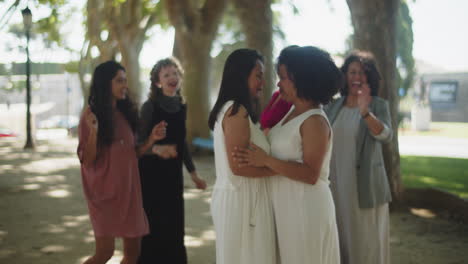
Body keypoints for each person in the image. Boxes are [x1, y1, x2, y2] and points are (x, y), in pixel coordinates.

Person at [233, 46, 342, 264]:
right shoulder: (291, 113)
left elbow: (311, 174)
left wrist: (266, 160)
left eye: (283, 77)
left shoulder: (315, 121)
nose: (278, 83)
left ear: (301, 80)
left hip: (305, 209)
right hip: (287, 207)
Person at [77, 61, 166, 264]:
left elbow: (132, 153)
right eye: (119, 81)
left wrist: (151, 139)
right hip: (104, 195)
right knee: (104, 253)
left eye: (125, 81)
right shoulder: (90, 115)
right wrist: (93, 133)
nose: (125, 85)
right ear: (104, 83)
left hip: (130, 191)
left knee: (133, 253)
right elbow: (87, 160)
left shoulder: (126, 113)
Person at [208, 48, 277, 264]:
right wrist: (280, 168)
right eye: (258, 75)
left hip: (242, 198)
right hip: (244, 200)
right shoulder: (236, 111)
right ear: (241, 74)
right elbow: (239, 167)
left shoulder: (235, 110)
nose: (262, 83)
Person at [324, 50, 392, 264]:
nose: (357, 77)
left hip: (365, 187)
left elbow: (385, 135)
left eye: (362, 72)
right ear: (344, 76)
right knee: (340, 238)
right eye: (352, 72)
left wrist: (365, 111)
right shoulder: (332, 106)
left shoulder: (378, 105)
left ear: (369, 77)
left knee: (366, 243)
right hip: (335, 184)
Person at [137, 57, 207, 264]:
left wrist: (193, 174)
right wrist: (156, 149)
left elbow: (181, 142)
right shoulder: (149, 107)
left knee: (174, 227)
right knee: (153, 228)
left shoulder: (181, 106)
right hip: (150, 176)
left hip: (173, 178)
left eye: (175, 73)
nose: (172, 77)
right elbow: (138, 146)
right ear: (158, 82)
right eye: (166, 74)